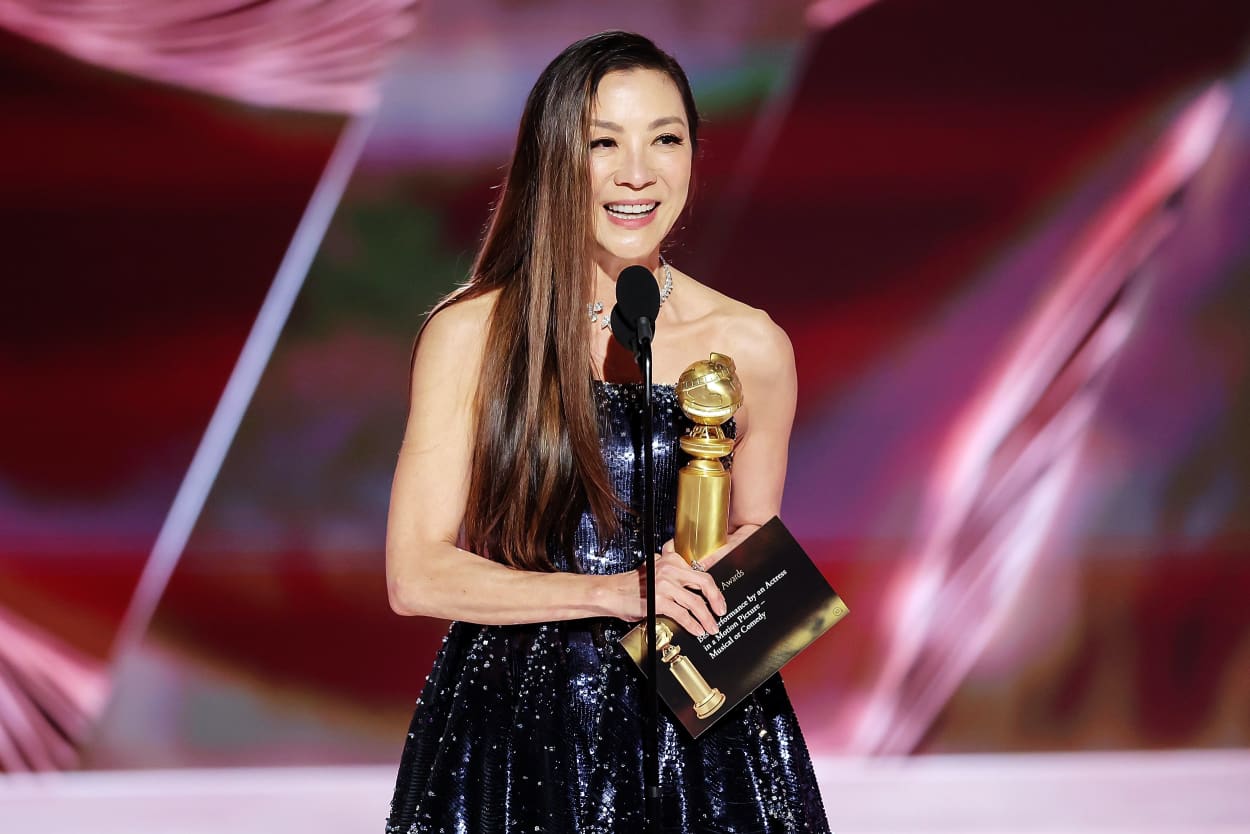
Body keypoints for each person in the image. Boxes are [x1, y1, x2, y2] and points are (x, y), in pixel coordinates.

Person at [384, 30, 830, 834]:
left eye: (665, 138)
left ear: (694, 154)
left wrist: (739, 585)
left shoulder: (754, 345)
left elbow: (754, 549)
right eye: (603, 142)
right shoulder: (475, 334)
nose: (638, 172)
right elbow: (415, 574)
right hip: (518, 738)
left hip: (701, 742)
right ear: (556, 158)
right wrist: (609, 594)